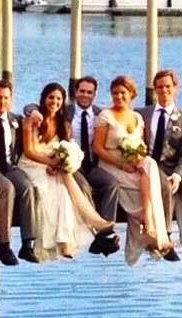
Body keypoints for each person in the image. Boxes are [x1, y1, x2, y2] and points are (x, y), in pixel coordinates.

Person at [24, 76, 120, 256]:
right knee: (82, 187)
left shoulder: (101, 114)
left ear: (94, 94)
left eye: (89, 92)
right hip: (64, 165)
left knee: (111, 184)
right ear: (75, 93)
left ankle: (106, 231)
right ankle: (94, 226)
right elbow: (31, 108)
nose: (85, 95)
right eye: (81, 91)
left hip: (87, 163)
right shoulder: (65, 112)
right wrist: (32, 111)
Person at [94, 76, 172, 265]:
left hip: (134, 164)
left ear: (131, 95)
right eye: (115, 93)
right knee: (148, 180)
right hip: (111, 165)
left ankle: (147, 221)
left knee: (149, 165)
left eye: (123, 93)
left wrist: (136, 158)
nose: (119, 97)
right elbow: (98, 148)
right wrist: (122, 165)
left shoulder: (137, 117)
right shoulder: (105, 116)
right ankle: (153, 231)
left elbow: (142, 147)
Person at [137, 70, 182, 262]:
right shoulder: (143, 114)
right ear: (155, 90)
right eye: (159, 87)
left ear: (175, 89)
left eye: (168, 86)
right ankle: (166, 237)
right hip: (153, 165)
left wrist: (178, 174)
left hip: (174, 165)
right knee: (164, 187)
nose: (164, 90)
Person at [0, 79, 37, 265]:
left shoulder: (14, 120)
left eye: (6, 98)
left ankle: (27, 243)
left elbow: (31, 107)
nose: (2, 102)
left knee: (27, 187)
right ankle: (5, 245)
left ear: (11, 99)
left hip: (9, 165)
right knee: (7, 189)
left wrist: (34, 111)